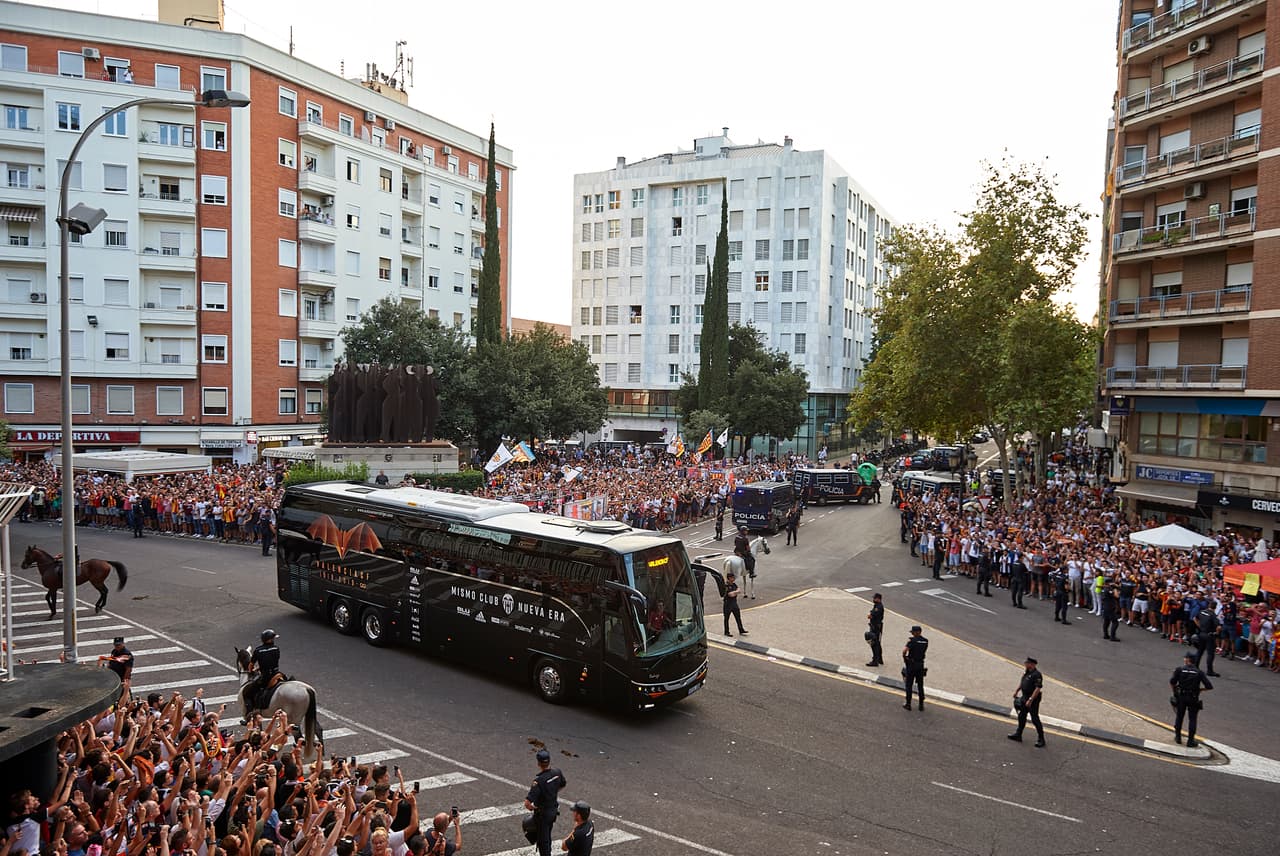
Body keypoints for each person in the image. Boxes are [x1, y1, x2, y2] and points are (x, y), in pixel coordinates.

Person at [524, 748, 566, 856]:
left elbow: (527, 803)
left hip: (542, 815)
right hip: (553, 811)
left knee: (543, 842)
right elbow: (562, 784)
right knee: (547, 835)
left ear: (538, 763)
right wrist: (552, 792)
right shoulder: (557, 772)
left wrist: (534, 808)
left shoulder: (539, 781)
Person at [1170, 650, 1212, 747]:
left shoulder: (1179, 669)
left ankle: (1178, 737)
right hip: (1193, 697)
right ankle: (1190, 740)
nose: (1184, 659)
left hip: (1182, 696)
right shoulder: (1199, 672)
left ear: (1188, 660)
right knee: (1192, 719)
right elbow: (1209, 686)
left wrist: (1175, 693)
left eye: (1185, 658)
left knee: (1179, 716)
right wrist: (1200, 690)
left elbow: (1172, 682)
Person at [1007, 656, 1045, 747]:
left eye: (1027, 663)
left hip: (1033, 699)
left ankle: (1041, 739)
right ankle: (1018, 734)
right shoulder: (1027, 672)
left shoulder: (1037, 675)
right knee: (1021, 716)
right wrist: (1017, 690)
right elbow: (1022, 681)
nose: (1025, 664)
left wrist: (1030, 700)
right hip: (1025, 697)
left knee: (1035, 719)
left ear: (1032, 664)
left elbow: (1037, 688)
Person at [245, 629, 282, 714]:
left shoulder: (258, 650)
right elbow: (271, 662)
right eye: (272, 638)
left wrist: (252, 670)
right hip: (277, 674)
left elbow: (251, 665)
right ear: (269, 640)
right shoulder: (276, 648)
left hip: (266, 676)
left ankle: (250, 714)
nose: (273, 640)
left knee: (248, 693)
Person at [902, 625, 928, 711]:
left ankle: (908, 704)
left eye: (913, 632)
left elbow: (904, 651)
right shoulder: (925, 641)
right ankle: (921, 704)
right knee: (920, 685)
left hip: (912, 664)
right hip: (920, 664)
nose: (912, 633)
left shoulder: (912, 641)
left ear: (917, 632)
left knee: (909, 684)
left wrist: (904, 658)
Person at [1193, 603, 1220, 676]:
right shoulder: (1213, 615)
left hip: (1201, 633)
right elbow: (1218, 627)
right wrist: (1217, 633)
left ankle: (1195, 666)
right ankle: (1209, 670)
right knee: (1210, 654)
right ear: (1215, 607)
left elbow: (1195, 618)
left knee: (1200, 651)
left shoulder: (1202, 611)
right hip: (1209, 635)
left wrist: (1200, 626)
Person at [722, 571, 747, 636]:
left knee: (738, 617)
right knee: (726, 618)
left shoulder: (734, 584)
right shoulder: (726, 586)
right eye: (732, 577)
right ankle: (726, 632)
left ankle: (741, 629)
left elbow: (739, 590)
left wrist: (735, 592)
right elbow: (730, 594)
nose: (733, 579)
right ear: (729, 578)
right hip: (728, 604)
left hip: (734, 603)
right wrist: (736, 592)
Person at [865, 593, 884, 667]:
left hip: (876, 627)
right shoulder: (877, 606)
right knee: (877, 643)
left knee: (874, 644)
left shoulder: (879, 607)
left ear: (878, 599)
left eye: (875, 598)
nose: (873, 600)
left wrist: (870, 615)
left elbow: (871, 615)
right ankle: (879, 659)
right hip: (875, 626)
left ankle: (875, 661)